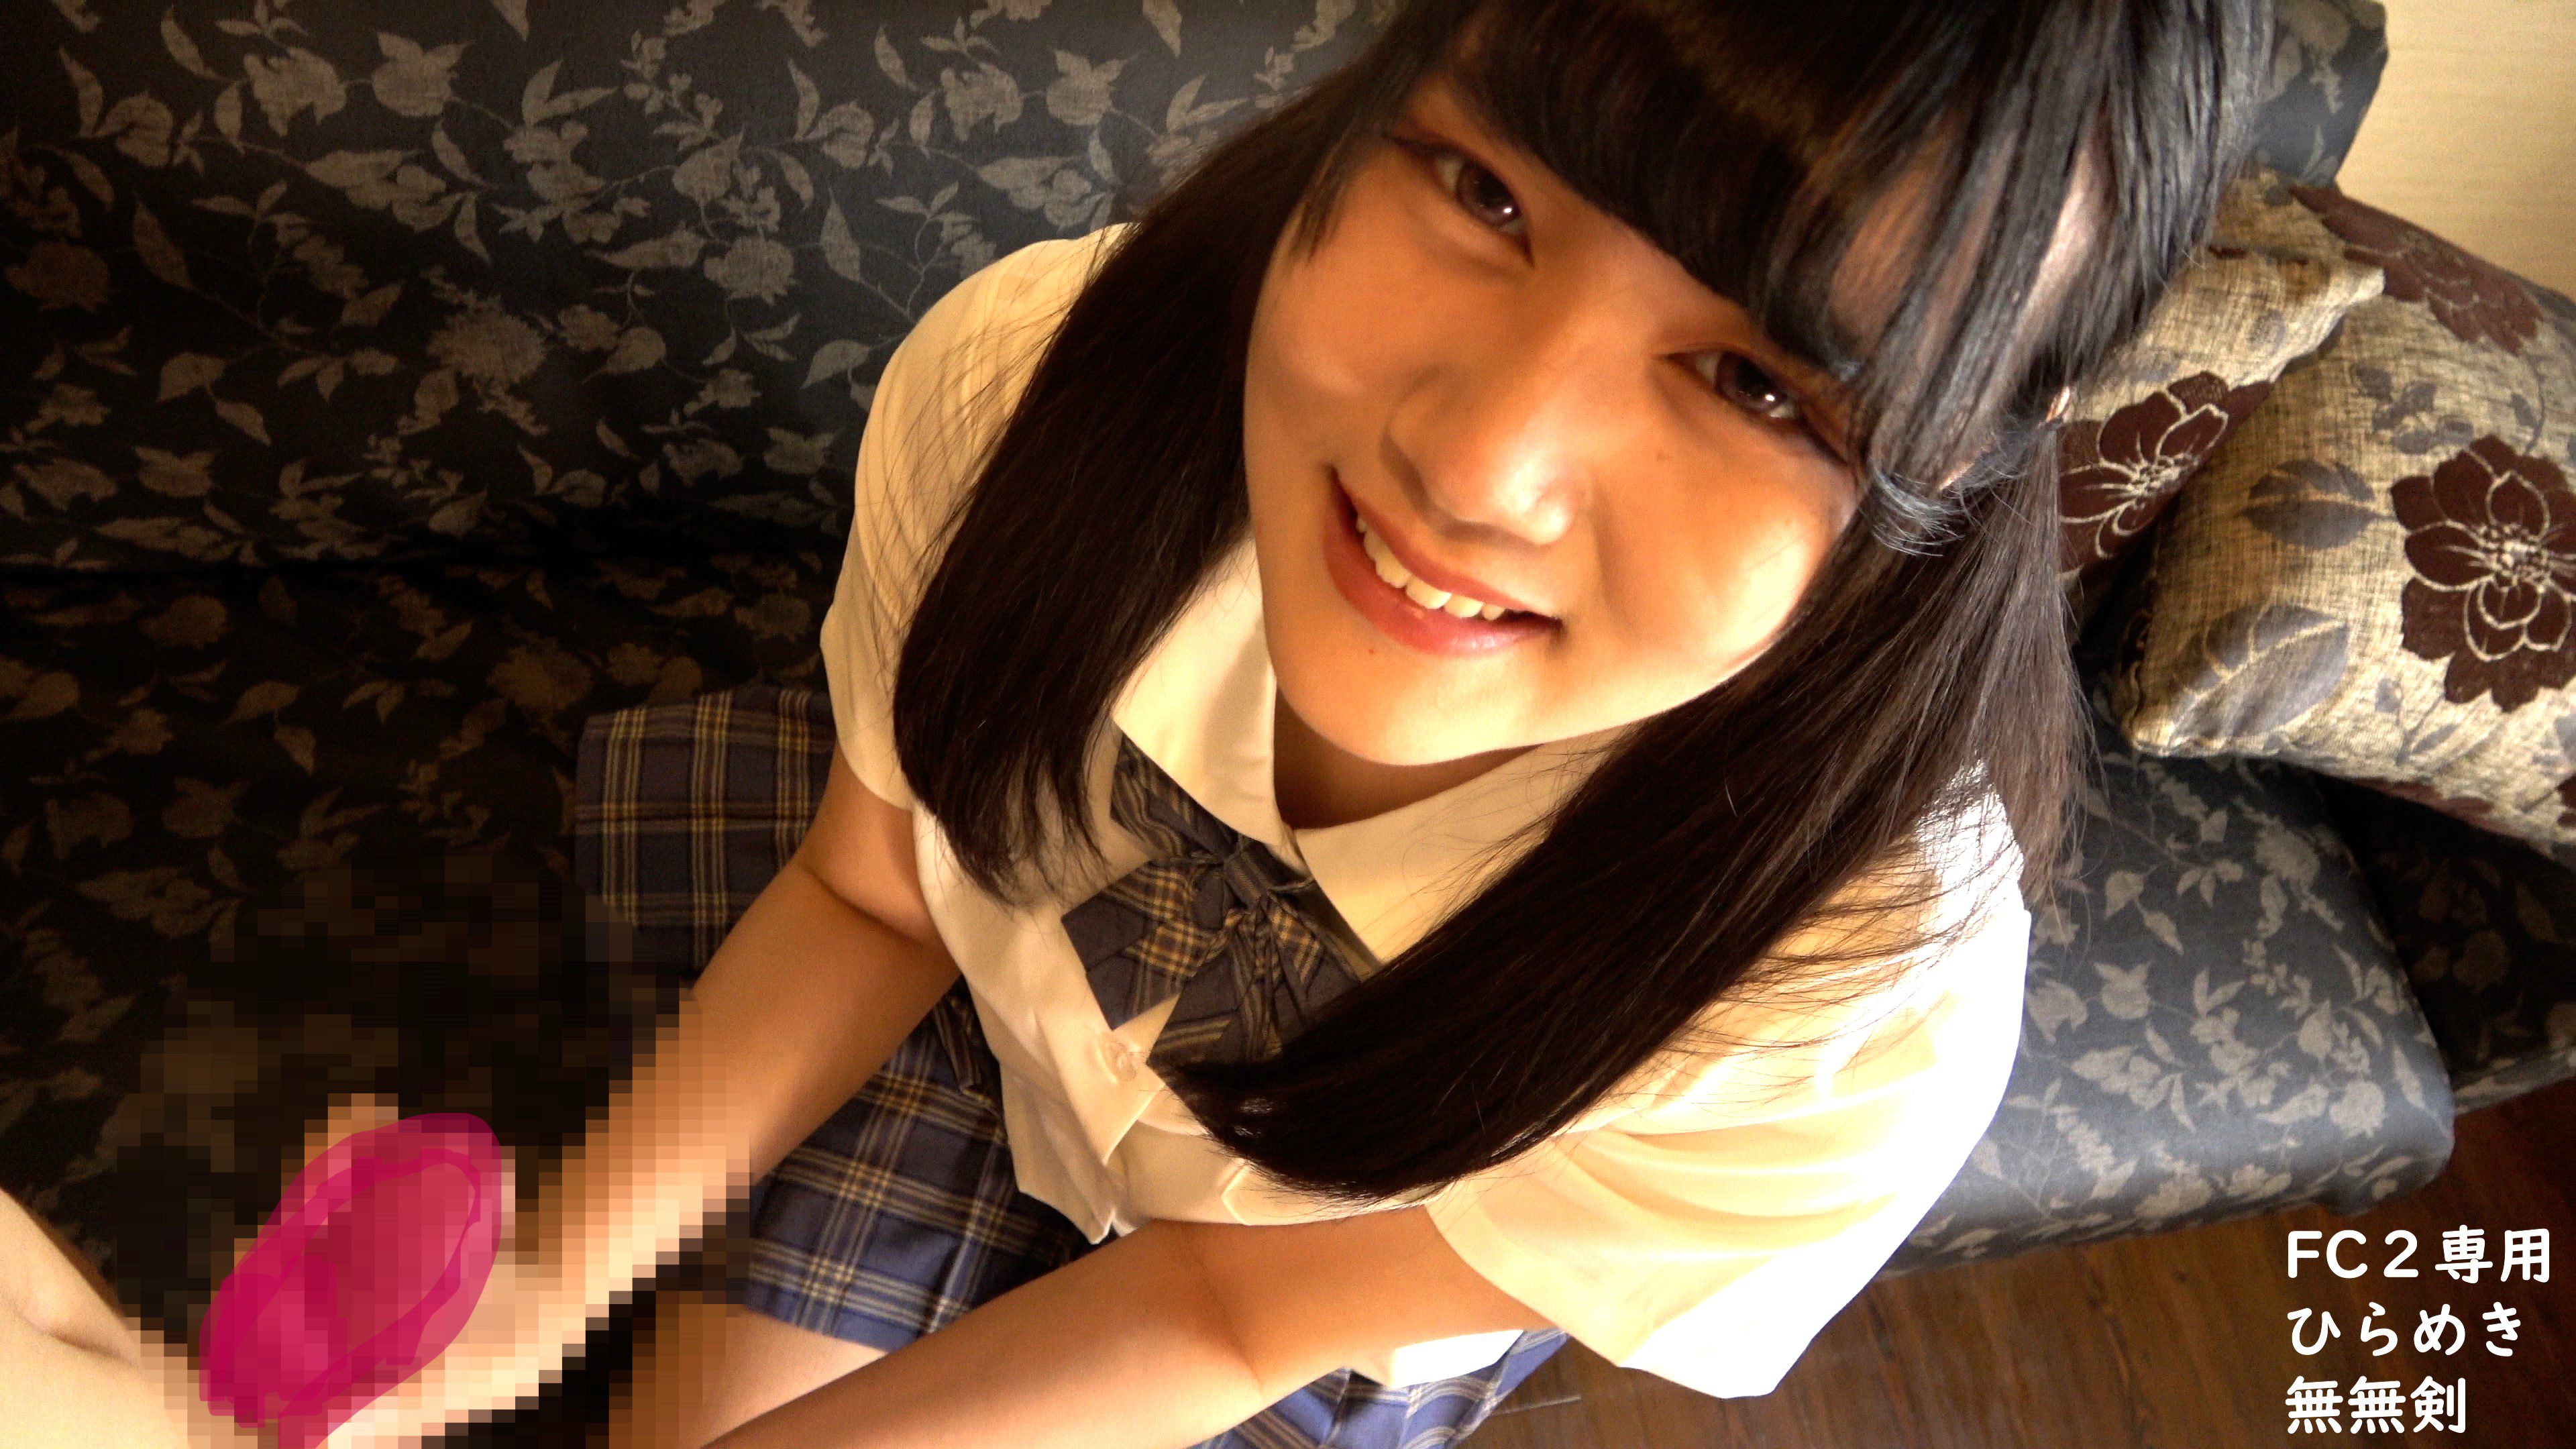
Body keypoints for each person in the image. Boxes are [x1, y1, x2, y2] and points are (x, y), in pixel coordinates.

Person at [230, 0, 2275, 1444]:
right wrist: (547, 1280)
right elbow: (877, 899)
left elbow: (1227, 1302)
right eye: (1484, 190)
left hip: (1302, 1264)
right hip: (972, 1024)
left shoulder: (1840, 1006)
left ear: (1954, 471)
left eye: (1758, 384)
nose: (1478, 465)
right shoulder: (1033, 398)